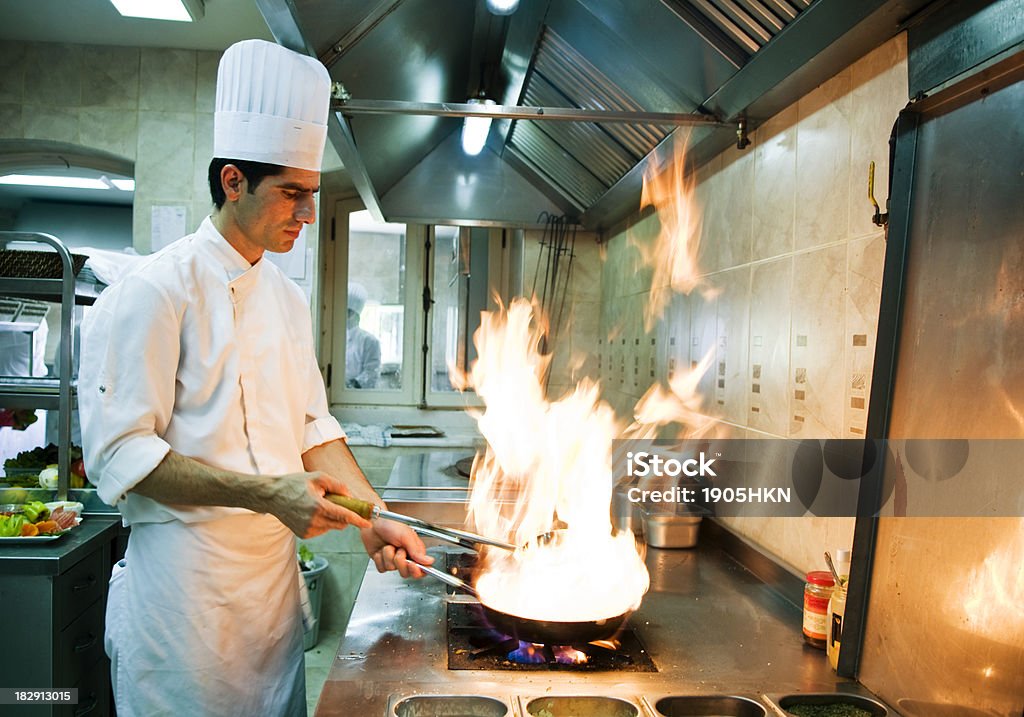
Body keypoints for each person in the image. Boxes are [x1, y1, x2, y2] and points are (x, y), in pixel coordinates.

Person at [78, 39, 431, 717]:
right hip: (183, 620)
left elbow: (310, 428)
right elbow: (120, 454)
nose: (307, 214)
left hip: (269, 619)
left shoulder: (285, 299)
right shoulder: (153, 292)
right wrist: (270, 493)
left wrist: (372, 515)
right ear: (233, 179)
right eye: (291, 194)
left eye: (313, 195)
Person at [345, 282, 381, 388]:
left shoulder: (369, 341)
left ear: (356, 315)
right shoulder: (333, 338)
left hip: (357, 397)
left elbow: (371, 373)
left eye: (349, 312)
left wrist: (352, 384)